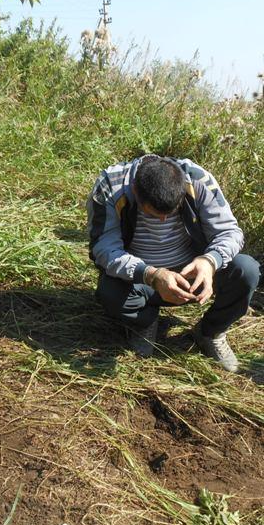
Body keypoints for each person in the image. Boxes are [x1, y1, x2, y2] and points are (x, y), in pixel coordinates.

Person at [86, 154, 260, 371]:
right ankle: (145, 322)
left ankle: (210, 332)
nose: (162, 221)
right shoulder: (110, 186)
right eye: (154, 214)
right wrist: (151, 274)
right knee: (109, 292)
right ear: (136, 194)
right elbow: (103, 248)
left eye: (170, 213)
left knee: (247, 271)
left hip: (194, 275)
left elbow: (229, 232)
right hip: (142, 278)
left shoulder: (197, 180)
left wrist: (209, 261)